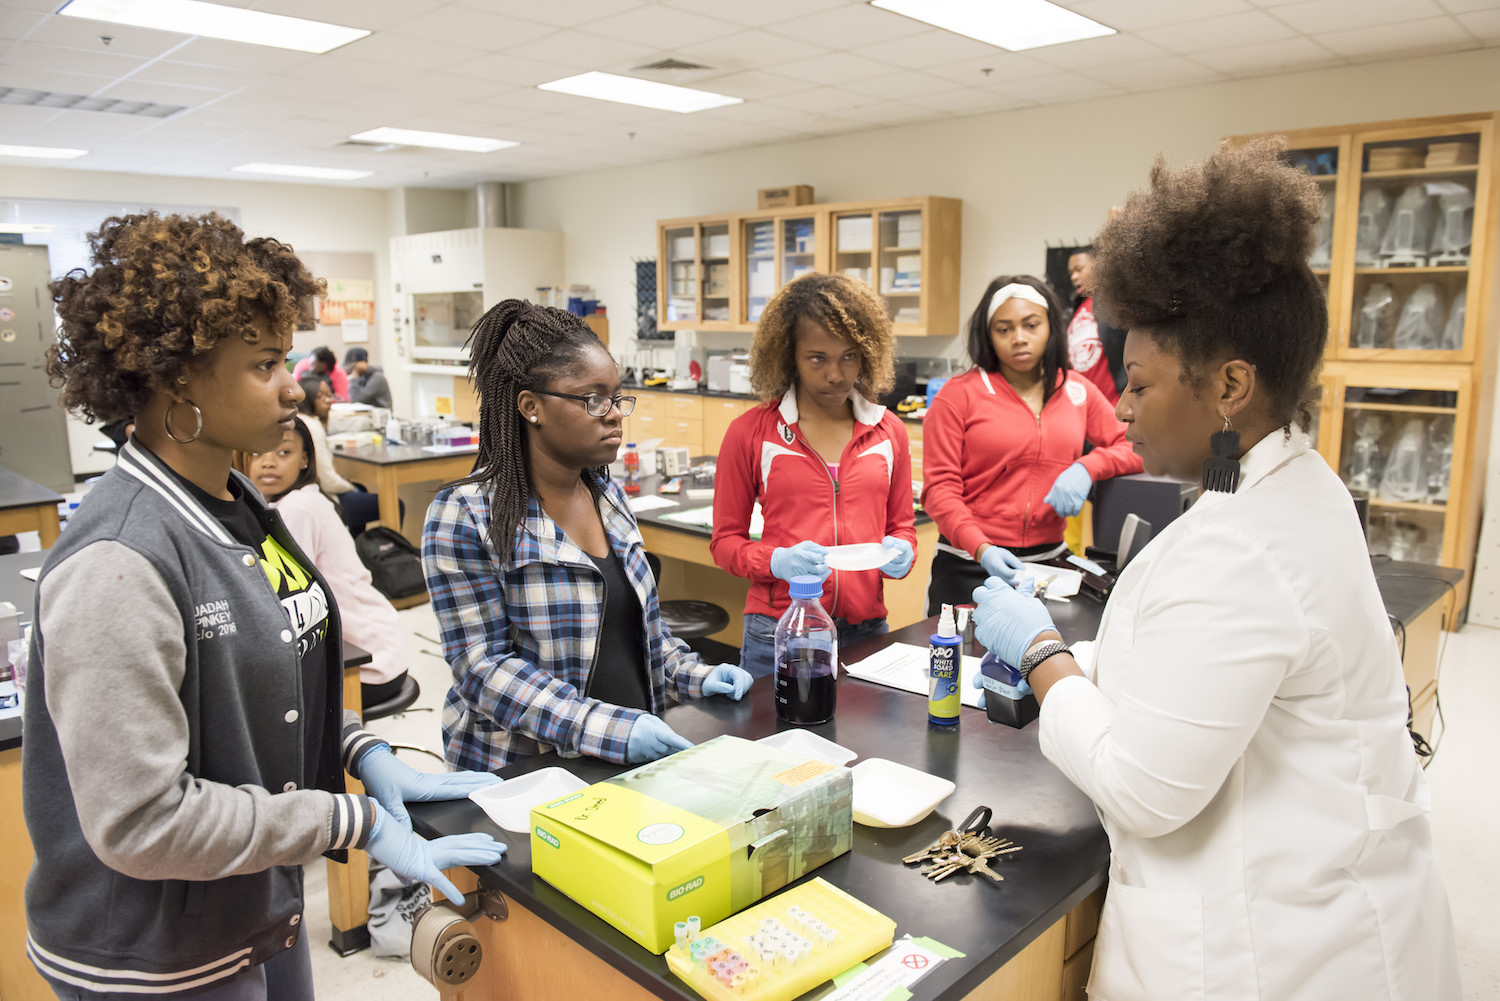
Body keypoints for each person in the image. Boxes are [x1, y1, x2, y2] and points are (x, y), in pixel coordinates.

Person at [971, 142, 1460, 1001]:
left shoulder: (1238, 546)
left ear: (1230, 384)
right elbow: (1216, 679)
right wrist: (1092, 666)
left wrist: (1045, 656)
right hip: (1337, 910)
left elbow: (1143, 788)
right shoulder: (1300, 486)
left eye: (1140, 382)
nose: (1120, 408)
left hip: (1265, 955)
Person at [25, 211, 504, 1000]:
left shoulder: (236, 499)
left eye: (285, 356)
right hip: (154, 954)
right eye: (262, 364)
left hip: (251, 901)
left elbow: (265, 675)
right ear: (177, 379)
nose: (293, 384)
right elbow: (141, 821)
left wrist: (355, 751)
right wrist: (354, 823)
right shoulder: (119, 560)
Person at [422, 299, 753, 773]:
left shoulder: (607, 496)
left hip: (634, 757)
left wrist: (696, 675)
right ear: (530, 406)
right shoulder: (466, 515)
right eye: (593, 399)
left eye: (617, 398)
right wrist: (611, 730)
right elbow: (483, 669)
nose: (615, 414)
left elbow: (640, 636)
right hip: (530, 775)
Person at [711, 273, 917, 678]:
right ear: (790, 356)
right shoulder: (752, 433)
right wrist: (777, 561)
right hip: (780, 629)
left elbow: (903, 528)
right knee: (773, 741)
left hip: (866, 631)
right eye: (817, 358)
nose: (836, 375)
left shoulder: (888, 432)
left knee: (871, 743)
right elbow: (724, 544)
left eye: (849, 356)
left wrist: (901, 554)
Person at [920, 275, 1141, 614]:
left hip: (1048, 565)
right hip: (967, 563)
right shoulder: (958, 395)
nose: (1019, 339)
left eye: (1031, 325)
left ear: (1051, 326)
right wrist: (981, 548)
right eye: (1004, 329)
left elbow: (1136, 445)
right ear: (988, 335)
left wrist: (1086, 466)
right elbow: (939, 490)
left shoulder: (1075, 391)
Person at [241, 417, 412, 708]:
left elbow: (284, 598)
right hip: (383, 649)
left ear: (305, 460)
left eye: (283, 452)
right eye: (258, 452)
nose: (268, 462)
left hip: (367, 663)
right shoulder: (290, 503)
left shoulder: (298, 508)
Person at [1065, 247, 1127, 403]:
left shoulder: (1113, 302)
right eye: (1071, 273)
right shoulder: (1077, 309)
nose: (1074, 277)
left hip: (1113, 404)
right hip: (1085, 407)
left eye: (1079, 269)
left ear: (1098, 266)